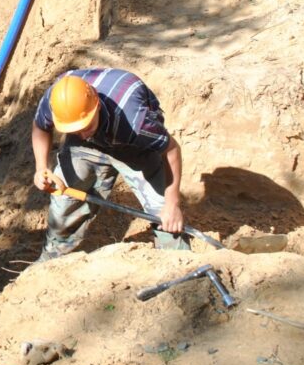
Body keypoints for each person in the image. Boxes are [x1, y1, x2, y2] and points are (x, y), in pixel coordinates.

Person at [31, 69, 191, 260]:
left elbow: (171, 149)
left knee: (163, 209)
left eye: (86, 127)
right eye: (75, 130)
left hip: (133, 145)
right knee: (66, 196)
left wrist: (172, 204)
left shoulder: (136, 122)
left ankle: (177, 262)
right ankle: (52, 259)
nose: (83, 134)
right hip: (87, 147)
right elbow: (40, 126)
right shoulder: (57, 101)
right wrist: (41, 168)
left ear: (96, 104)